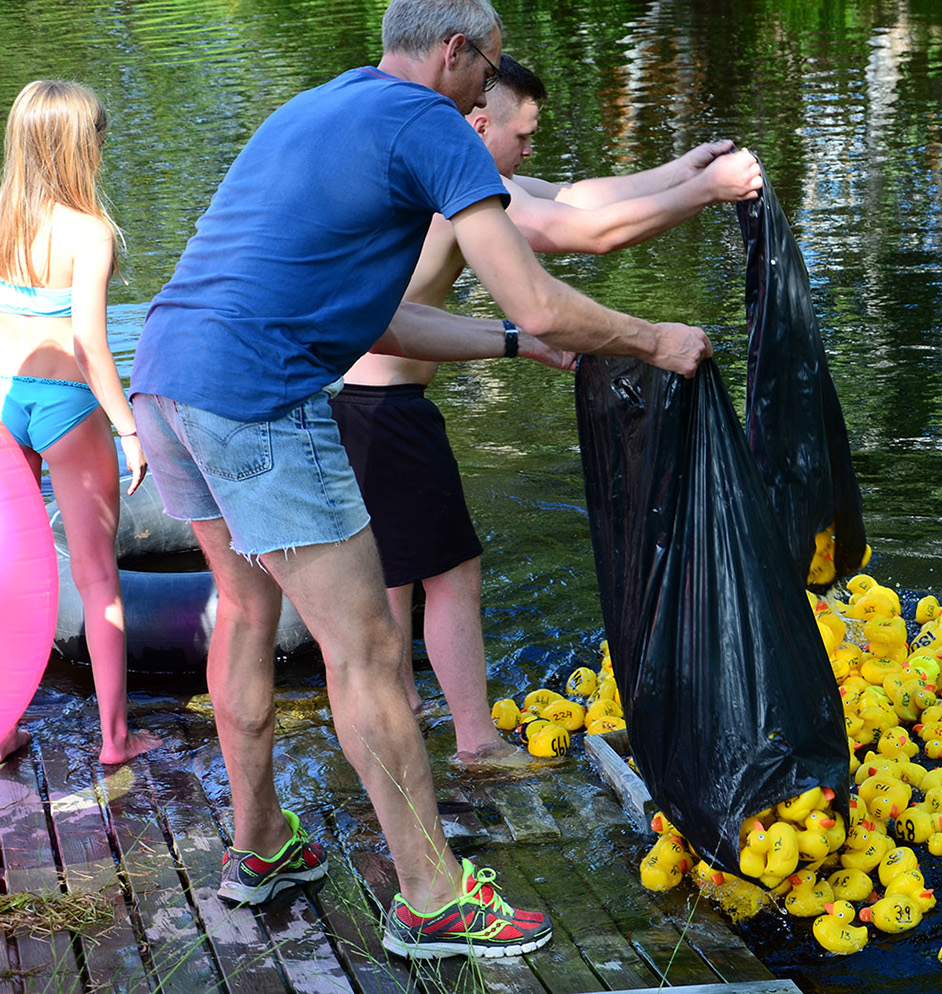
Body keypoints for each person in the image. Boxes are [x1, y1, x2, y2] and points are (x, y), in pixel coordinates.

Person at [129, 0, 711, 961]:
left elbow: (379, 321)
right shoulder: (435, 125)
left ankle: (261, 844)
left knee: (242, 614)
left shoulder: (315, 110)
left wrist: (514, 347)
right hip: (256, 394)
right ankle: (434, 897)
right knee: (367, 651)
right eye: (487, 69)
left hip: (168, 377)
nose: (489, 93)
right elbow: (536, 287)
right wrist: (654, 340)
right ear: (455, 51)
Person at [332, 54, 762, 763]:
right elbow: (584, 233)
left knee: (398, 574)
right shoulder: (454, 187)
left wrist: (684, 171)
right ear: (478, 123)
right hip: (382, 408)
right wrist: (708, 194)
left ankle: (403, 704)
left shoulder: (444, 170)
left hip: (359, 405)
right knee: (451, 574)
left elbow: (577, 198)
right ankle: (476, 743)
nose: (531, 149)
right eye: (522, 134)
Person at [0, 80, 163, 767]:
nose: (103, 146)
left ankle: (5, 727)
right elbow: (94, 346)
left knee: (7, 572)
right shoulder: (89, 231)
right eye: (98, 135)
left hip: (5, 400)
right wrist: (129, 429)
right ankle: (116, 738)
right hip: (67, 407)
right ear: (76, 145)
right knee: (98, 578)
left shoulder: (4, 214)